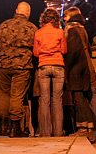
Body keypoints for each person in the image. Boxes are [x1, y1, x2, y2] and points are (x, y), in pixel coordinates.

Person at [0, 1, 37, 138]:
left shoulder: (3, 26)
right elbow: (36, 49)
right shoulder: (32, 28)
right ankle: (15, 127)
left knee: (4, 95)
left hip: (4, 66)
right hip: (23, 67)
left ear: (16, 10)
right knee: (17, 96)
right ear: (28, 13)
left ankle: (4, 126)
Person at [33, 7, 67, 137]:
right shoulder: (60, 32)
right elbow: (64, 50)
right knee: (58, 100)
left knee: (45, 100)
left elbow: (35, 53)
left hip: (43, 66)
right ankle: (58, 132)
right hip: (58, 65)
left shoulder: (38, 33)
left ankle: (45, 132)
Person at [64, 6, 96, 142]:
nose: (64, 19)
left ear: (71, 16)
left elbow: (72, 52)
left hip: (76, 70)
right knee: (82, 98)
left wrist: (67, 69)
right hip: (84, 69)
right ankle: (89, 129)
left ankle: (83, 129)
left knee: (78, 99)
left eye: (65, 16)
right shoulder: (83, 29)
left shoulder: (73, 30)